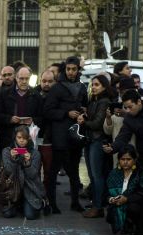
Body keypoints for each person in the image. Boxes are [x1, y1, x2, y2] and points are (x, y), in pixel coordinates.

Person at [43, 56, 87, 213]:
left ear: (78, 70)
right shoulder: (57, 88)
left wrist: (83, 113)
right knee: (54, 171)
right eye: (68, 69)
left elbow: (85, 106)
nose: (71, 72)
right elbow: (48, 111)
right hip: (60, 136)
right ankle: (52, 203)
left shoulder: (82, 88)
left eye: (74, 69)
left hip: (75, 136)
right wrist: (66, 113)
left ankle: (75, 202)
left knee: (74, 172)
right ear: (64, 70)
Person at [77, 75, 114, 218]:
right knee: (93, 175)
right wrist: (84, 116)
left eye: (97, 85)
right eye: (92, 85)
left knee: (97, 175)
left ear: (104, 86)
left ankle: (98, 207)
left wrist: (84, 122)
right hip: (91, 140)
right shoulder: (94, 101)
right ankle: (96, 204)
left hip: (98, 141)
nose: (93, 87)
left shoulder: (104, 101)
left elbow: (98, 123)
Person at [105, 145, 143, 235]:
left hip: (137, 204)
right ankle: (123, 225)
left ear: (135, 160)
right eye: (122, 159)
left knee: (133, 207)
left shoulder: (142, 173)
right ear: (119, 160)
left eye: (129, 159)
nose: (125, 162)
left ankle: (136, 226)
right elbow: (105, 194)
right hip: (118, 204)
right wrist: (111, 199)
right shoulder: (114, 174)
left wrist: (126, 199)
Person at [0, 125, 45, 219]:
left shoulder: (35, 153)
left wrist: (28, 162)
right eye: (19, 137)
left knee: (30, 216)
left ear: (28, 138)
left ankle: (30, 203)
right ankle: (18, 205)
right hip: (12, 188)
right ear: (15, 137)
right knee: (7, 214)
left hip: (29, 188)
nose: (21, 140)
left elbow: (33, 175)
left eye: (24, 138)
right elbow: (8, 171)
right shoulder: (7, 151)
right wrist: (12, 159)